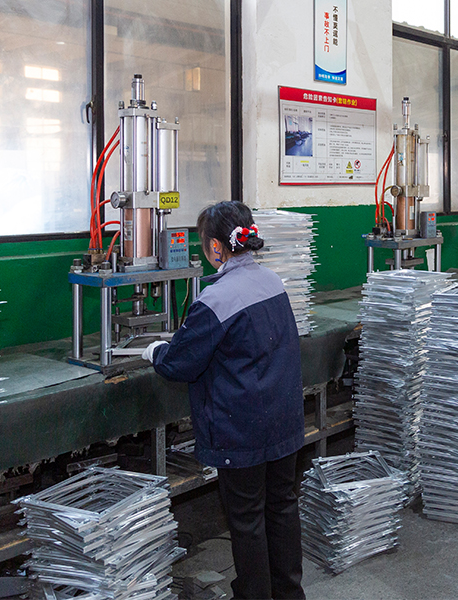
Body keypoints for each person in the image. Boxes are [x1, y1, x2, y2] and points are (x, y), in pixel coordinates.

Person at [141, 201, 306, 600]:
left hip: (243, 429)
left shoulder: (215, 300)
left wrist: (156, 351)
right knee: (282, 507)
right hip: (284, 420)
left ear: (216, 247)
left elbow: (180, 363)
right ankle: (289, 594)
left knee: (247, 520)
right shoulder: (273, 282)